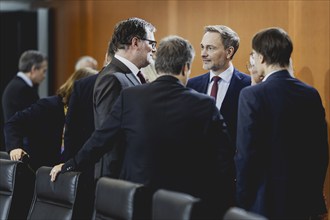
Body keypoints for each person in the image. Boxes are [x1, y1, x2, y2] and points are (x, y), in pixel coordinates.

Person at [50, 35, 234, 218]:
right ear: (186, 68)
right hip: (182, 204)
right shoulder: (204, 104)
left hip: (136, 199)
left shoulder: (131, 97)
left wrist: (70, 164)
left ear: (158, 64)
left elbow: (100, 139)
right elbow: (223, 159)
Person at [235, 27, 329, 219]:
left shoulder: (251, 94)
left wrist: (241, 200)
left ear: (261, 57)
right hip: (303, 202)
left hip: (263, 203)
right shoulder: (310, 94)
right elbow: (320, 151)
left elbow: (246, 155)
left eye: (253, 55)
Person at [92, 17, 156, 179]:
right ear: (135, 42)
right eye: (152, 44)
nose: (154, 50)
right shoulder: (112, 78)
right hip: (118, 178)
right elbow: (108, 136)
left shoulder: (129, 76)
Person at [4, 67, 97, 171]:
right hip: (39, 171)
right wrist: (15, 147)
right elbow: (14, 123)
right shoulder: (48, 106)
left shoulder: (86, 114)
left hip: (68, 174)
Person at [187, 25, 251, 145]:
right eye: (202, 47)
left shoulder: (249, 85)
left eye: (210, 48)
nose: (203, 54)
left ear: (229, 52)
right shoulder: (191, 85)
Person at [62, 42, 115, 163]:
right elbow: (71, 131)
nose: (91, 71)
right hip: (84, 160)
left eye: (93, 68)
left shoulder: (85, 85)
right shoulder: (82, 86)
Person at [2, 50, 48, 123]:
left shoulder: (15, 85)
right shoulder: (23, 90)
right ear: (34, 69)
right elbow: (35, 120)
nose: (44, 76)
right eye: (44, 71)